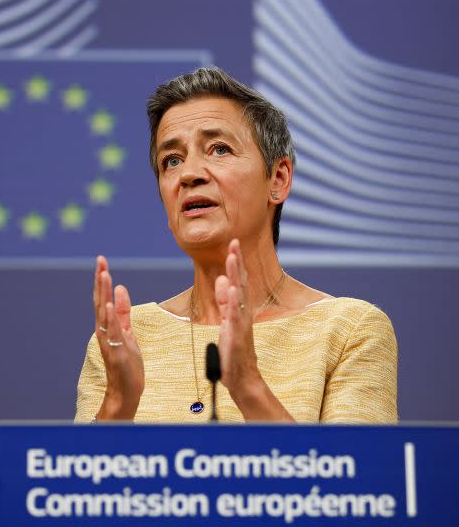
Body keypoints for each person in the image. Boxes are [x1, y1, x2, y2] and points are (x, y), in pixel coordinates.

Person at [75, 67, 397, 423]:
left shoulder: (348, 330)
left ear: (278, 179)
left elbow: (353, 476)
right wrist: (119, 402)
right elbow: (76, 478)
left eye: (219, 149)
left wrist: (247, 384)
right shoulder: (127, 337)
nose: (189, 174)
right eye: (172, 160)